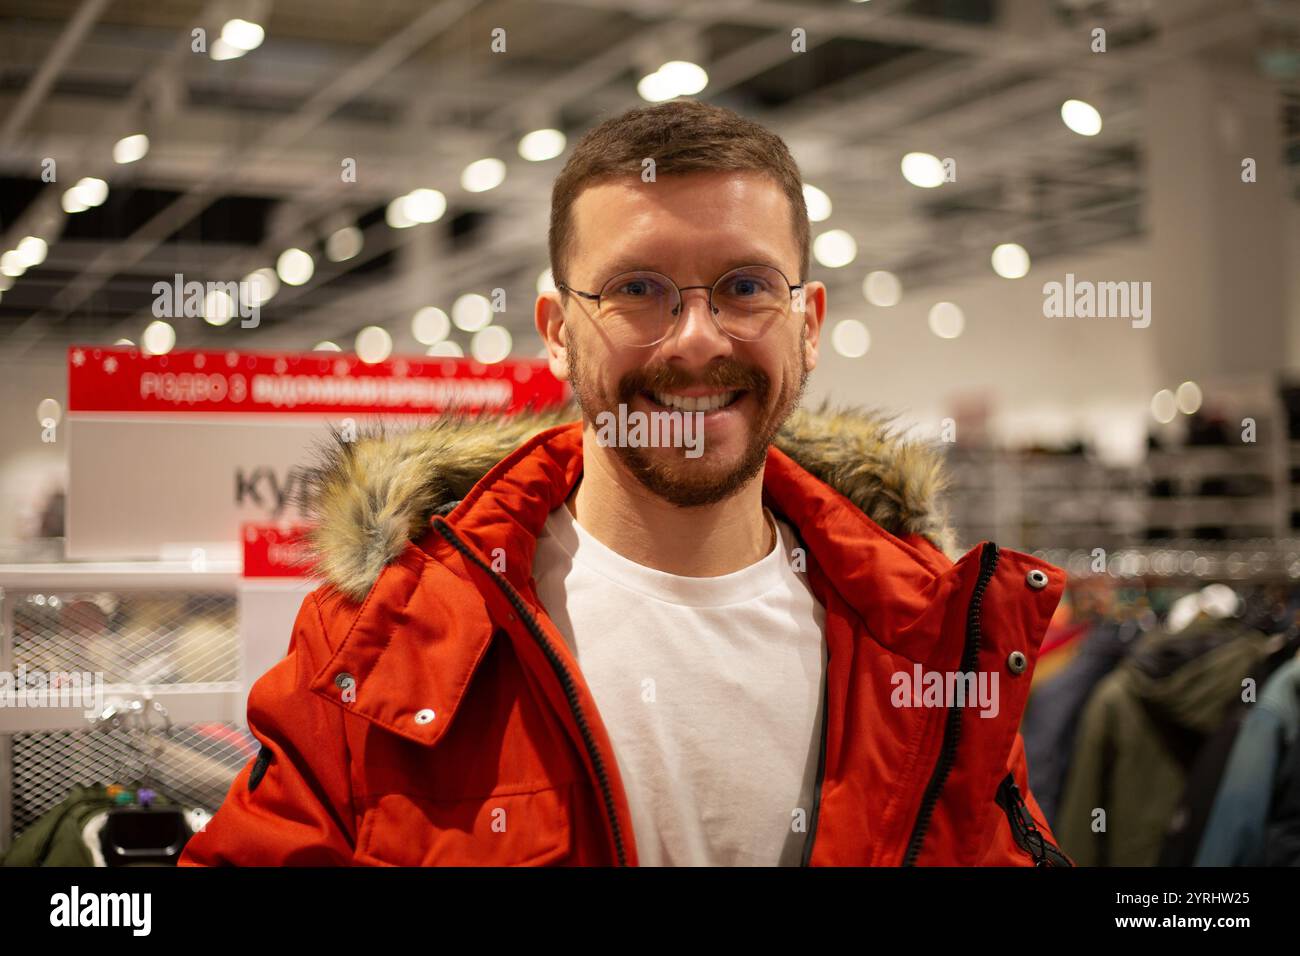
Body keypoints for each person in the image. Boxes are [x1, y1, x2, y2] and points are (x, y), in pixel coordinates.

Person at [179, 99, 1070, 867]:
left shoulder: (930, 635)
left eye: (745, 286)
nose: (695, 339)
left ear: (809, 323)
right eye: (638, 289)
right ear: (558, 332)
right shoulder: (385, 636)